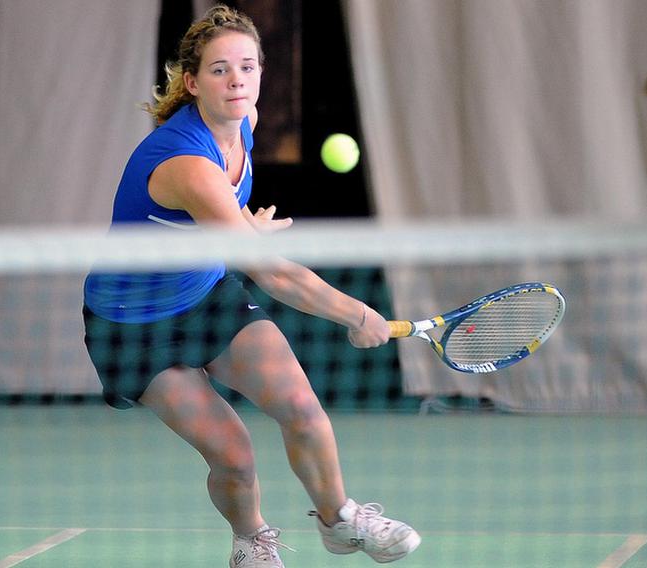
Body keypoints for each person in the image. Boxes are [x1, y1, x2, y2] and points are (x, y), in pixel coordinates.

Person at [83, 5, 420, 567]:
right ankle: (251, 543)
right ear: (192, 82)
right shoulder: (187, 161)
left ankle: (340, 522)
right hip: (132, 325)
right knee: (235, 454)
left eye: (247, 66)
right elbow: (271, 272)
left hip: (204, 294)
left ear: (261, 72)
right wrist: (357, 315)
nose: (236, 80)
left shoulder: (246, 122)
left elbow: (214, 228)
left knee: (302, 407)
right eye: (219, 70)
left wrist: (238, 229)